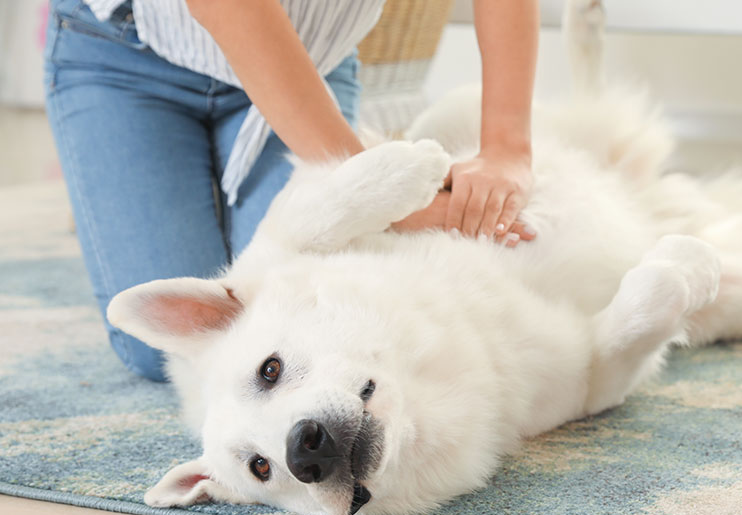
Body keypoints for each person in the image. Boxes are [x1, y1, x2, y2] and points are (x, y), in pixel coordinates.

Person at [44, 0, 539, 381]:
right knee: (167, 352)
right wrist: (381, 199)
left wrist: (505, 147)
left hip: (309, 58)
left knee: (305, 301)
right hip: (125, 56)